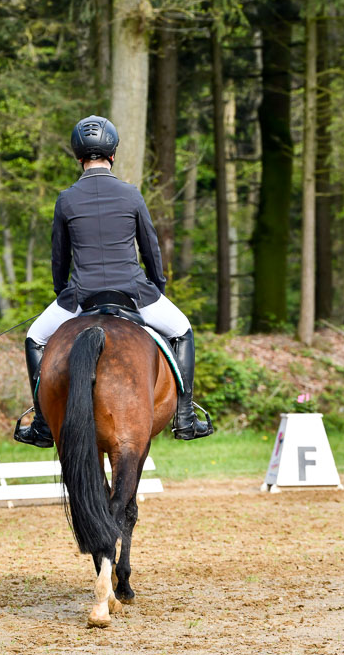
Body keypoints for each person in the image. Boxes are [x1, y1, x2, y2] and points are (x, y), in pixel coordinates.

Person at [15, 115, 212, 448]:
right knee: (182, 330)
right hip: (135, 292)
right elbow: (150, 249)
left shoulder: (65, 199)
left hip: (81, 295)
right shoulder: (131, 194)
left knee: (34, 337)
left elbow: (59, 258)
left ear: (79, 156)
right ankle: (184, 417)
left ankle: (43, 424)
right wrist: (157, 287)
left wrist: (62, 293)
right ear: (113, 154)